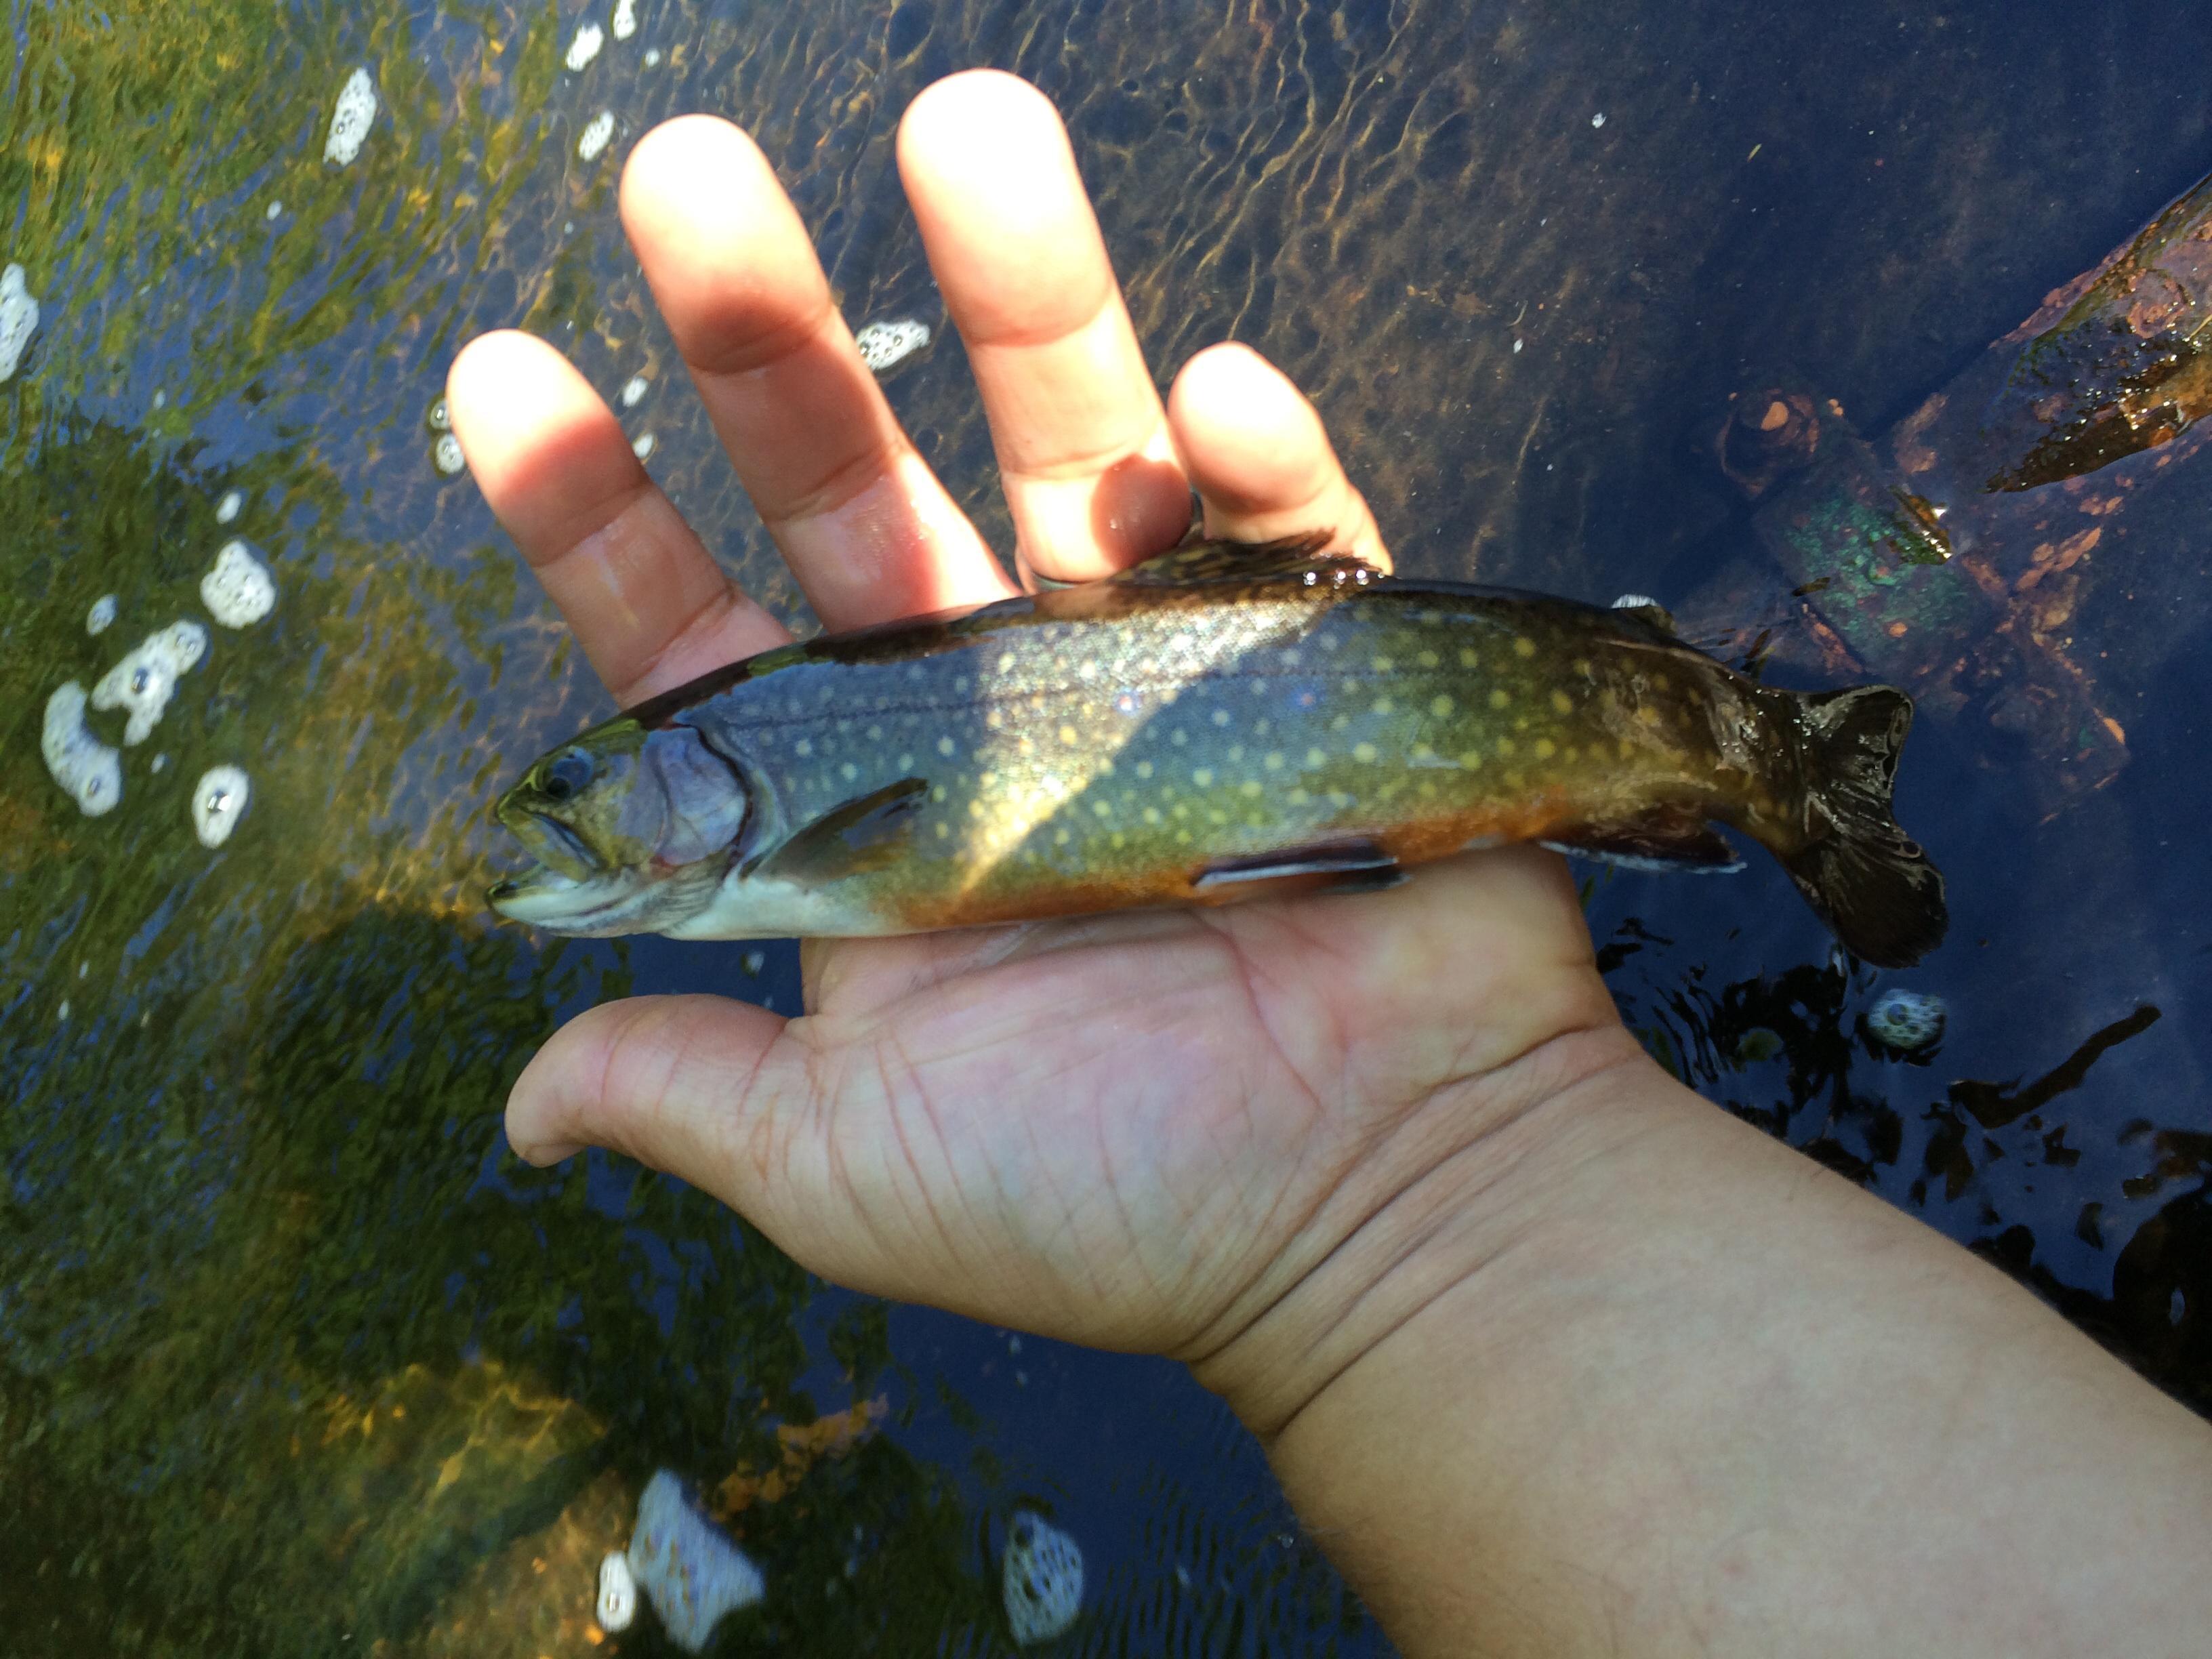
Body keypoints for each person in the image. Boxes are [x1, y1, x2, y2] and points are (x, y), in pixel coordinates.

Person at [447, 69, 2212, 1657]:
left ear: (696, 772)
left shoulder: (791, 809)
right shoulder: (778, 793)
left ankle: (1774, 761)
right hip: (1393, 767)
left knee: (1658, 739)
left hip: (1449, 724)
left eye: (583, 787)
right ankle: (1764, 758)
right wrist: (1367, 1225)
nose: (558, 823)